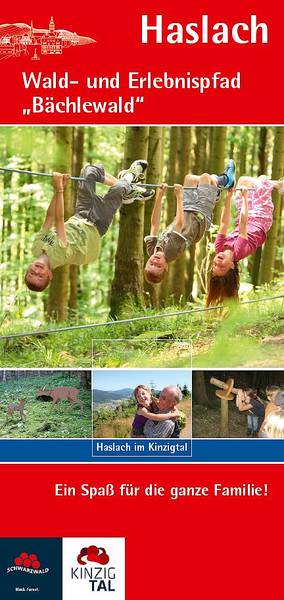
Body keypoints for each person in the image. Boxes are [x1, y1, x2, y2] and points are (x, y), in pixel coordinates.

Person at [24, 160, 154, 292]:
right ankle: (129, 177)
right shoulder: (58, 257)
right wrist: (59, 190)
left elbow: (50, 217)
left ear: (28, 268)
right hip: (97, 224)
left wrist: (59, 188)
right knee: (118, 189)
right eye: (40, 276)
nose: (37, 271)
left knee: (89, 172)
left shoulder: (36, 248)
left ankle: (126, 190)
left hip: (81, 214)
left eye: (31, 273)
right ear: (50, 275)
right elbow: (59, 220)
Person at [144, 161, 236, 284]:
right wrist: (179, 197)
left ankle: (216, 190)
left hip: (186, 209)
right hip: (199, 217)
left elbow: (154, 224)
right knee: (205, 178)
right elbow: (179, 224)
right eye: (158, 266)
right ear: (166, 267)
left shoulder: (151, 250)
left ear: (146, 262)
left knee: (190, 179)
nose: (155, 262)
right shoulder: (170, 252)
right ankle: (226, 180)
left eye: (151, 264)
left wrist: (159, 197)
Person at [207, 175, 284, 306]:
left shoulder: (219, 248)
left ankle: (277, 185)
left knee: (243, 181)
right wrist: (244, 197)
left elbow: (224, 224)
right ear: (231, 266)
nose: (218, 262)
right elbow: (244, 224)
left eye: (214, 265)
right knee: (261, 181)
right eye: (222, 266)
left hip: (245, 216)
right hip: (260, 218)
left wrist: (228, 197)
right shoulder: (239, 252)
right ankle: (277, 185)